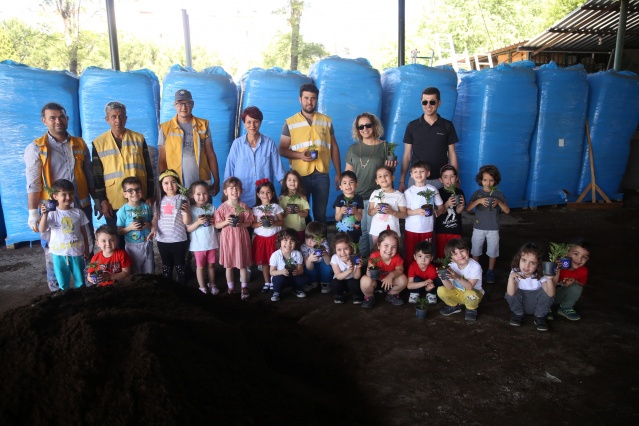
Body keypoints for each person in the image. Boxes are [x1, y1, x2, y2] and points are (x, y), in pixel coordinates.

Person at [24, 102, 98, 292]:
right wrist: (33, 213)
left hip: (80, 205)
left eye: (61, 117)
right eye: (53, 118)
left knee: (86, 245)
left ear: (67, 118)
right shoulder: (36, 147)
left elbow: (89, 174)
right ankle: (57, 292)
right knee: (53, 249)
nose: (58, 121)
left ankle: (88, 287)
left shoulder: (79, 143)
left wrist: (97, 200)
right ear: (44, 121)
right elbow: (33, 182)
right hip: (52, 209)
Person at [92, 101, 155, 246]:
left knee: (140, 236)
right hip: (113, 201)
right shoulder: (99, 143)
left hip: (138, 199)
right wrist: (102, 201)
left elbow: (148, 169)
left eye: (121, 116)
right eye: (113, 117)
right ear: (107, 119)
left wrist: (150, 195)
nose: (118, 120)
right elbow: (97, 175)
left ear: (126, 118)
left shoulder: (138, 138)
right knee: (116, 240)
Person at [279, 83, 341, 223]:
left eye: (313, 98)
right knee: (303, 214)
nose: (309, 102)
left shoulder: (326, 121)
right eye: (306, 98)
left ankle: (321, 237)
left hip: (321, 175)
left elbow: (334, 147)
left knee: (320, 214)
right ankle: (305, 238)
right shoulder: (290, 123)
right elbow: (282, 149)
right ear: (300, 99)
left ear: (317, 99)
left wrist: (338, 172)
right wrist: (299, 155)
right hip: (300, 176)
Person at [344, 112, 398, 257]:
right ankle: (364, 261)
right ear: (357, 129)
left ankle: (377, 261)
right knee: (362, 232)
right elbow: (348, 175)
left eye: (368, 125)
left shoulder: (385, 146)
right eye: (360, 126)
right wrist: (348, 196)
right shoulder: (353, 149)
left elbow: (388, 173)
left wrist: (392, 168)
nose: (365, 129)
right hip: (358, 197)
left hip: (378, 196)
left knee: (376, 232)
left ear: (374, 126)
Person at [158, 89, 220, 195]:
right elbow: (162, 160)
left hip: (201, 183)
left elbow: (211, 155)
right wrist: (163, 185)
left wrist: (217, 181)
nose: (183, 107)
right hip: (176, 185)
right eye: (180, 103)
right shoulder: (165, 128)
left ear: (192, 104)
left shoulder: (203, 125)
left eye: (187, 103)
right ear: (175, 105)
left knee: (203, 207)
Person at [399, 87, 458, 192]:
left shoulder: (447, 126)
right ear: (421, 103)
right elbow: (407, 155)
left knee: (443, 203)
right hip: (417, 180)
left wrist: (455, 179)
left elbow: (452, 153)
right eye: (425, 102)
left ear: (439, 103)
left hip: (441, 180)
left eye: (432, 102)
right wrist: (402, 180)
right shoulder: (412, 126)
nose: (428, 105)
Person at [224, 106, 285, 207]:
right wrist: (226, 197)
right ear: (244, 123)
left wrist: (289, 192)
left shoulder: (269, 144)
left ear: (260, 122)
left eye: (256, 122)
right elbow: (229, 171)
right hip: (241, 200)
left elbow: (279, 172)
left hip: (264, 201)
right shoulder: (237, 144)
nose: (252, 125)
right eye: (248, 122)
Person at [38, 179, 90, 290]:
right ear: (55, 196)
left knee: (80, 282)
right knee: (62, 283)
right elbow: (42, 229)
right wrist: (44, 215)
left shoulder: (78, 212)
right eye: (64, 194)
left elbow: (84, 233)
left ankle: (80, 298)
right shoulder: (52, 214)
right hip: (58, 254)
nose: (68, 197)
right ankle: (65, 298)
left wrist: (86, 249)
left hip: (77, 253)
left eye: (71, 193)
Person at [466, 165, 510, 284]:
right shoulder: (477, 193)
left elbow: (507, 210)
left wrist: (499, 202)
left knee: (493, 250)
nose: (488, 183)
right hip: (478, 227)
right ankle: (476, 270)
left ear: (495, 181)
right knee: (475, 250)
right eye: (485, 180)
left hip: (493, 228)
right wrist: (478, 201)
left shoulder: (498, 194)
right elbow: (468, 208)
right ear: (480, 180)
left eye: (491, 180)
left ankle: (490, 271)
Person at [214, 177, 254, 300]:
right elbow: (217, 225)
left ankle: (244, 287)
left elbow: (249, 222)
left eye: (237, 188)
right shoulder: (222, 208)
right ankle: (230, 288)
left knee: (242, 264)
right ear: (225, 191)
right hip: (228, 239)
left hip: (241, 237)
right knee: (229, 265)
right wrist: (226, 221)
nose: (234, 191)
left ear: (241, 191)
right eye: (231, 188)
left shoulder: (243, 206)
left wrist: (241, 224)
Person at [505, 242, 556, 332]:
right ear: (519, 259)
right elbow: (511, 293)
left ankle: (539, 317)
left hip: (537, 306)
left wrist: (549, 279)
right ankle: (518, 315)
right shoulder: (515, 272)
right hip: (521, 305)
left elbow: (550, 294)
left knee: (547, 293)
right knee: (511, 293)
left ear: (538, 265)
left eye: (532, 263)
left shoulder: (541, 275)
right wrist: (511, 278)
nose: (526, 266)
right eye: (524, 260)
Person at [403, 161, 444, 270]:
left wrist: (438, 212)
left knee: (426, 254)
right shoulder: (408, 192)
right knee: (411, 254)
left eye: (422, 171)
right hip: (411, 229)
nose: (419, 174)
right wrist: (417, 211)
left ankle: (426, 274)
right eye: (415, 172)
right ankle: (410, 274)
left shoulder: (432, 190)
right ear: (411, 175)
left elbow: (441, 207)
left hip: (427, 229)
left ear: (428, 173)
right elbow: (404, 212)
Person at [153, 169, 191, 285]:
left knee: (180, 267)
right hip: (162, 240)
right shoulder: (158, 201)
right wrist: (153, 229)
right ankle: (168, 291)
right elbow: (155, 218)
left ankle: (183, 290)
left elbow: (187, 221)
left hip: (179, 239)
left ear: (178, 184)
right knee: (166, 267)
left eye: (173, 182)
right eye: (166, 183)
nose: (170, 185)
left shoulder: (182, 199)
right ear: (161, 185)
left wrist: (187, 212)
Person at [116, 177, 156, 274]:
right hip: (132, 246)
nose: (135, 193)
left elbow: (151, 222)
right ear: (124, 194)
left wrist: (148, 224)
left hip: (147, 243)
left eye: (138, 189)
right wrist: (130, 228)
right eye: (130, 190)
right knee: (135, 271)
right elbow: (119, 231)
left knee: (149, 270)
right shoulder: (122, 211)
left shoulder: (146, 207)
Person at [437, 238, 484, 321]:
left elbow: (470, 287)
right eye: (455, 254)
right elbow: (450, 287)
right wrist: (443, 278)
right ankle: (455, 306)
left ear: (468, 251)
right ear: (450, 258)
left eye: (462, 251)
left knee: (471, 294)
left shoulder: (475, 267)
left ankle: (471, 309)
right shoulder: (451, 265)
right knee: (441, 290)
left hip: (473, 293)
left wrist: (457, 277)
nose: (460, 255)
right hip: (458, 292)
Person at [251, 179, 284, 294]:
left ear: (273, 194)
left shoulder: (275, 207)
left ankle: (274, 281)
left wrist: (274, 222)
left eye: (268, 192)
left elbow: (282, 222)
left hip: (274, 238)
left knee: (275, 261)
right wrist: (260, 223)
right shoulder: (255, 209)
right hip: (261, 240)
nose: (265, 195)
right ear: (258, 194)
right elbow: (253, 224)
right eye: (262, 192)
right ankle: (267, 282)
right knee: (264, 262)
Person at [187, 181, 219, 295]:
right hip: (198, 245)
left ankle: (212, 284)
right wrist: (198, 222)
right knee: (200, 267)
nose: (202, 197)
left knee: (211, 265)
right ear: (192, 195)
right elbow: (188, 229)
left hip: (211, 243)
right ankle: (202, 287)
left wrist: (214, 222)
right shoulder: (191, 209)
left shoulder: (212, 207)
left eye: (205, 193)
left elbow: (217, 224)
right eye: (198, 194)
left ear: (209, 194)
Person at [360, 229, 407, 309]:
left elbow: (400, 270)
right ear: (379, 245)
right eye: (386, 245)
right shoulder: (374, 256)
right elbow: (370, 271)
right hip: (375, 281)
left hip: (390, 283)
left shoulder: (397, 258)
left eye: (394, 247)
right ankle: (369, 297)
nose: (389, 250)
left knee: (403, 279)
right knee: (365, 280)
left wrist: (390, 276)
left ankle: (392, 294)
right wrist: (369, 272)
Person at [550, 238, 590, 321]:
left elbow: (582, 284)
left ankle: (565, 307)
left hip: (559, 296)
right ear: (566, 252)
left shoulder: (583, 271)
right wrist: (556, 269)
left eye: (584, 257)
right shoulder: (557, 264)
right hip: (545, 296)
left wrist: (575, 281)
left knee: (577, 287)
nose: (579, 259)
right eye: (576, 254)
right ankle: (544, 307)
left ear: (587, 259)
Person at [368, 166, 407, 245]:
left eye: (386, 175)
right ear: (377, 181)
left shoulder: (399, 195)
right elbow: (369, 212)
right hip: (377, 231)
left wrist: (393, 212)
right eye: (380, 176)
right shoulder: (375, 193)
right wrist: (375, 210)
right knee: (377, 250)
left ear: (392, 177)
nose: (383, 177)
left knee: (392, 250)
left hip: (393, 232)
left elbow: (404, 214)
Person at [269, 228, 310, 302]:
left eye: (292, 241)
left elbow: (301, 269)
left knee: (303, 278)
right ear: (280, 241)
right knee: (278, 279)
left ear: (296, 242)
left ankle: (296, 289)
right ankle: (276, 292)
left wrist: (298, 272)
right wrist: (281, 272)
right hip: (281, 277)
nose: (288, 243)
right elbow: (271, 272)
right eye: (285, 240)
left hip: (293, 277)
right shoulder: (275, 255)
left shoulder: (297, 254)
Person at [435, 165, 465, 259]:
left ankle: (454, 268)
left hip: (455, 229)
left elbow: (458, 211)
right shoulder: (438, 193)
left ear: (456, 178)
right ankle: (442, 268)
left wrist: (462, 206)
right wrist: (447, 204)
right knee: (441, 253)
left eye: (452, 176)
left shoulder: (459, 192)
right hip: (441, 230)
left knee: (456, 253)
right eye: (445, 177)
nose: (449, 179)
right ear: (440, 180)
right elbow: (437, 212)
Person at [329, 232, 364, 304]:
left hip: (351, 281)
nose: (343, 253)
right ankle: (338, 295)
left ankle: (356, 295)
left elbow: (356, 277)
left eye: (346, 249)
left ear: (350, 248)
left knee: (355, 283)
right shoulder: (334, 258)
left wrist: (358, 267)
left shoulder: (354, 257)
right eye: (339, 250)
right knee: (334, 283)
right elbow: (338, 276)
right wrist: (349, 271)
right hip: (340, 280)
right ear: (335, 250)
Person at [333, 170, 364, 248]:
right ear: (340, 187)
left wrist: (355, 212)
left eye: (351, 182)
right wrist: (341, 212)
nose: (348, 185)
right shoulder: (339, 199)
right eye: (344, 183)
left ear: (356, 185)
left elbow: (360, 218)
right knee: (342, 250)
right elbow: (337, 218)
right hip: (340, 233)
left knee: (354, 250)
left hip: (354, 232)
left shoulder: (359, 198)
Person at [301, 221, 332, 295]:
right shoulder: (304, 247)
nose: (309, 242)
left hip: (322, 265)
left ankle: (325, 283)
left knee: (327, 267)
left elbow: (329, 262)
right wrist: (309, 260)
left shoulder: (324, 245)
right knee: (306, 269)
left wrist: (325, 255)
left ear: (321, 240)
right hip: (311, 267)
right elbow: (308, 267)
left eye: (313, 240)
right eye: (307, 238)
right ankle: (312, 282)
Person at [279, 170, 310, 243]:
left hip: (299, 229)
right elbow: (279, 217)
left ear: (299, 182)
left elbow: (306, 214)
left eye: (295, 180)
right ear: (285, 182)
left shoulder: (303, 198)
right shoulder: (281, 198)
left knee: (299, 245)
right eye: (289, 180)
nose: (292, 182)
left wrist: (298, 211)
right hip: (286, 229)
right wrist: (286, 212)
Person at [407, 241, 439, 305]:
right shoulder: (412, 267)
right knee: (416, 278)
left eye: (427, 257)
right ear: (415, 257)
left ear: (431, 258)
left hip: (426, 286)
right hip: (417, 285)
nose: (423, 260)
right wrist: (424, 283)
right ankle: (414, 294)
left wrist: (429, 288)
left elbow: (428, 286)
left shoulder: (432, 269)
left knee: (436, 281)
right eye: (420, 256)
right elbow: (409, 286)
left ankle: (431, 294)